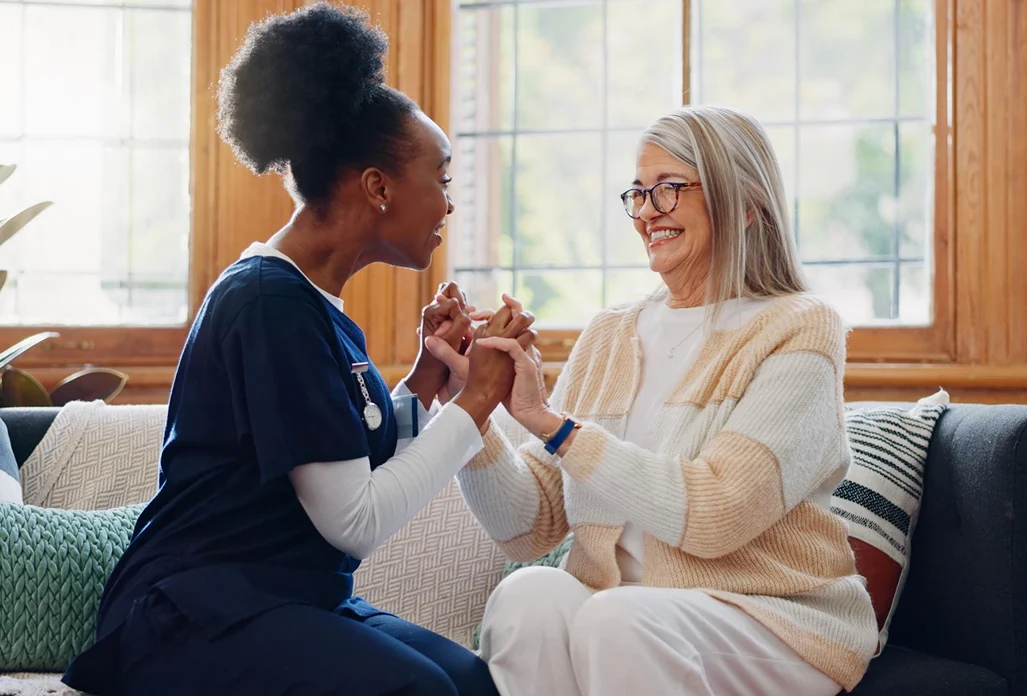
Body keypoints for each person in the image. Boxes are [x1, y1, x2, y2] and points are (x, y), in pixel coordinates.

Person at [61, 4, 528, 695]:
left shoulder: (312, 306)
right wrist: (479, 402)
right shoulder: (267, 304)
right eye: (445, 179)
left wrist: (427, 381)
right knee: (418, 691)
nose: (449, 205)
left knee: (467, 680)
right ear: (377, 187)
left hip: (285, 600)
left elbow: (353, 456)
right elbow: (354, 521)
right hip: (195, 615)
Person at [425, 105, 879, 696]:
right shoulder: (610, 335)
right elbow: (527, 529)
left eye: (667, 190)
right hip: (624, 610)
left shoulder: (798, 328)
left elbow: (719, 514)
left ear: (744, 205)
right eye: (638, 194)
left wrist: (550, 423)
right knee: (527, 595)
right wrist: (474, 407)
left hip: (773, 617)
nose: (646, 214)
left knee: (620, 619)